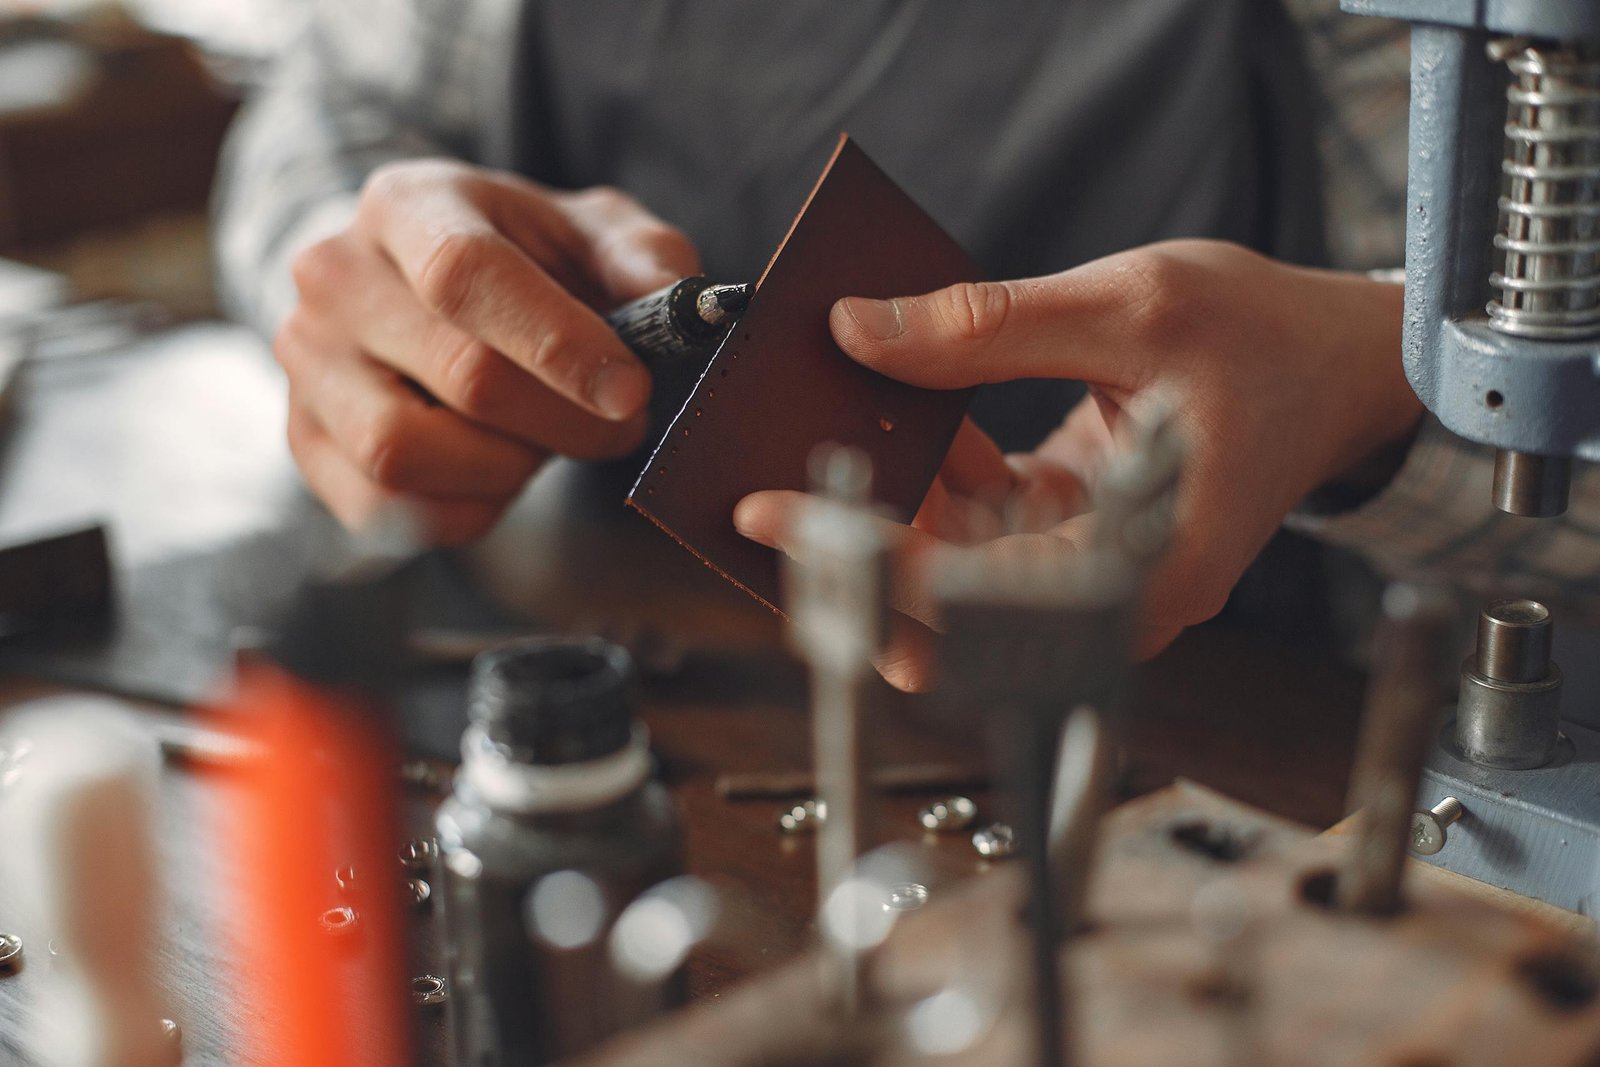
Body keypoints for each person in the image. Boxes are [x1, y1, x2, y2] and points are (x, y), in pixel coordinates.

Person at [215, 0, 1598, 690]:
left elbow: (1544, 335)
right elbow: (330, 104)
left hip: (1256, 726)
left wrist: (1377, 385)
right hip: (614, 671)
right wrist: (359, 253)